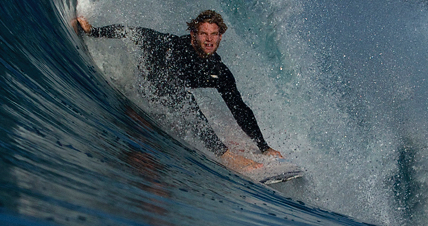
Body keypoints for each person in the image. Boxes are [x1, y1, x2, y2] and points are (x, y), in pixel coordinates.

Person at [73, 10, 282, 172]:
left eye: (214, 34)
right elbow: (134, 33)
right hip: (149, 85)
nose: (209, 40)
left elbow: (240, 110)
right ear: (193, 35)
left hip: (170, 98)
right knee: (182, 98)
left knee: (196, 103)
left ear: (220, 37)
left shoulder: (218, 71)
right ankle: (225, 155)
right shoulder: (172, 46)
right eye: (203, 34)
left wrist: (263, 146)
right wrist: (93, 31)